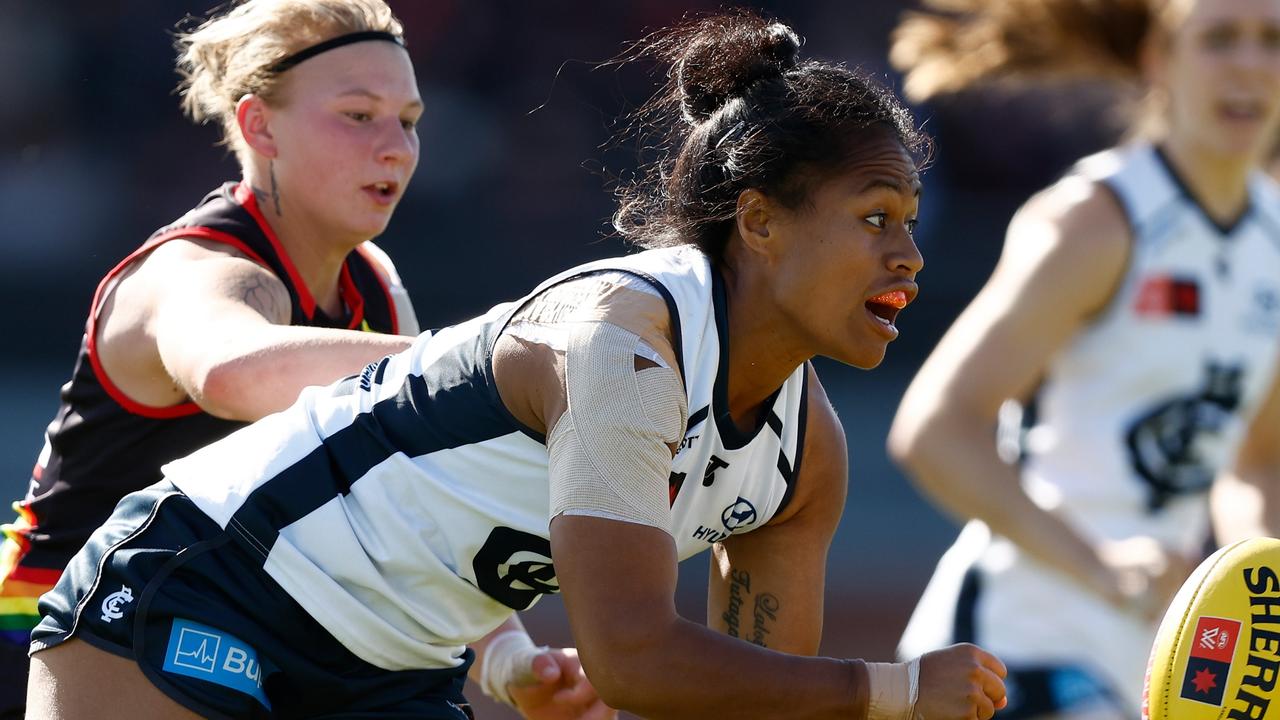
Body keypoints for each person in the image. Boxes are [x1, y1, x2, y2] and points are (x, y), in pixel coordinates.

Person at [22, 11, 1011, 720]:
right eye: (875, 218)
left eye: (912, 225)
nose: (909, 258)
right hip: (200, 595)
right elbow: (633, 660)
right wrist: (893, 691)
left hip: (391, 672)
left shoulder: (806, 454)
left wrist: (504, 664)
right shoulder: (623, 347)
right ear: (757, 221)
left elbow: (735, 697)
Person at [0, 2, 607, 719]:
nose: (397, 148)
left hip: (226, 632)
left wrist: (511, 663)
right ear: (259, 126)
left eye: (409, 121)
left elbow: (414, 511)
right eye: (359, 116)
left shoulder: (374, 287)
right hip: (46, 644)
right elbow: (233, 372)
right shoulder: (194, 268)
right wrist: (493, 364)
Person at [886, 0, 1280, 716]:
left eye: (1272, 40)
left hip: (1147, 664)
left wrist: (1259, 586)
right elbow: (936, 430)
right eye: (1220, 38)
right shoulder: (1094, 221)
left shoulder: (1274, 239)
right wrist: (1105, 570)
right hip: (1014, 651)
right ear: (1159, 61)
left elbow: (1256, 460)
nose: (1250, 65)